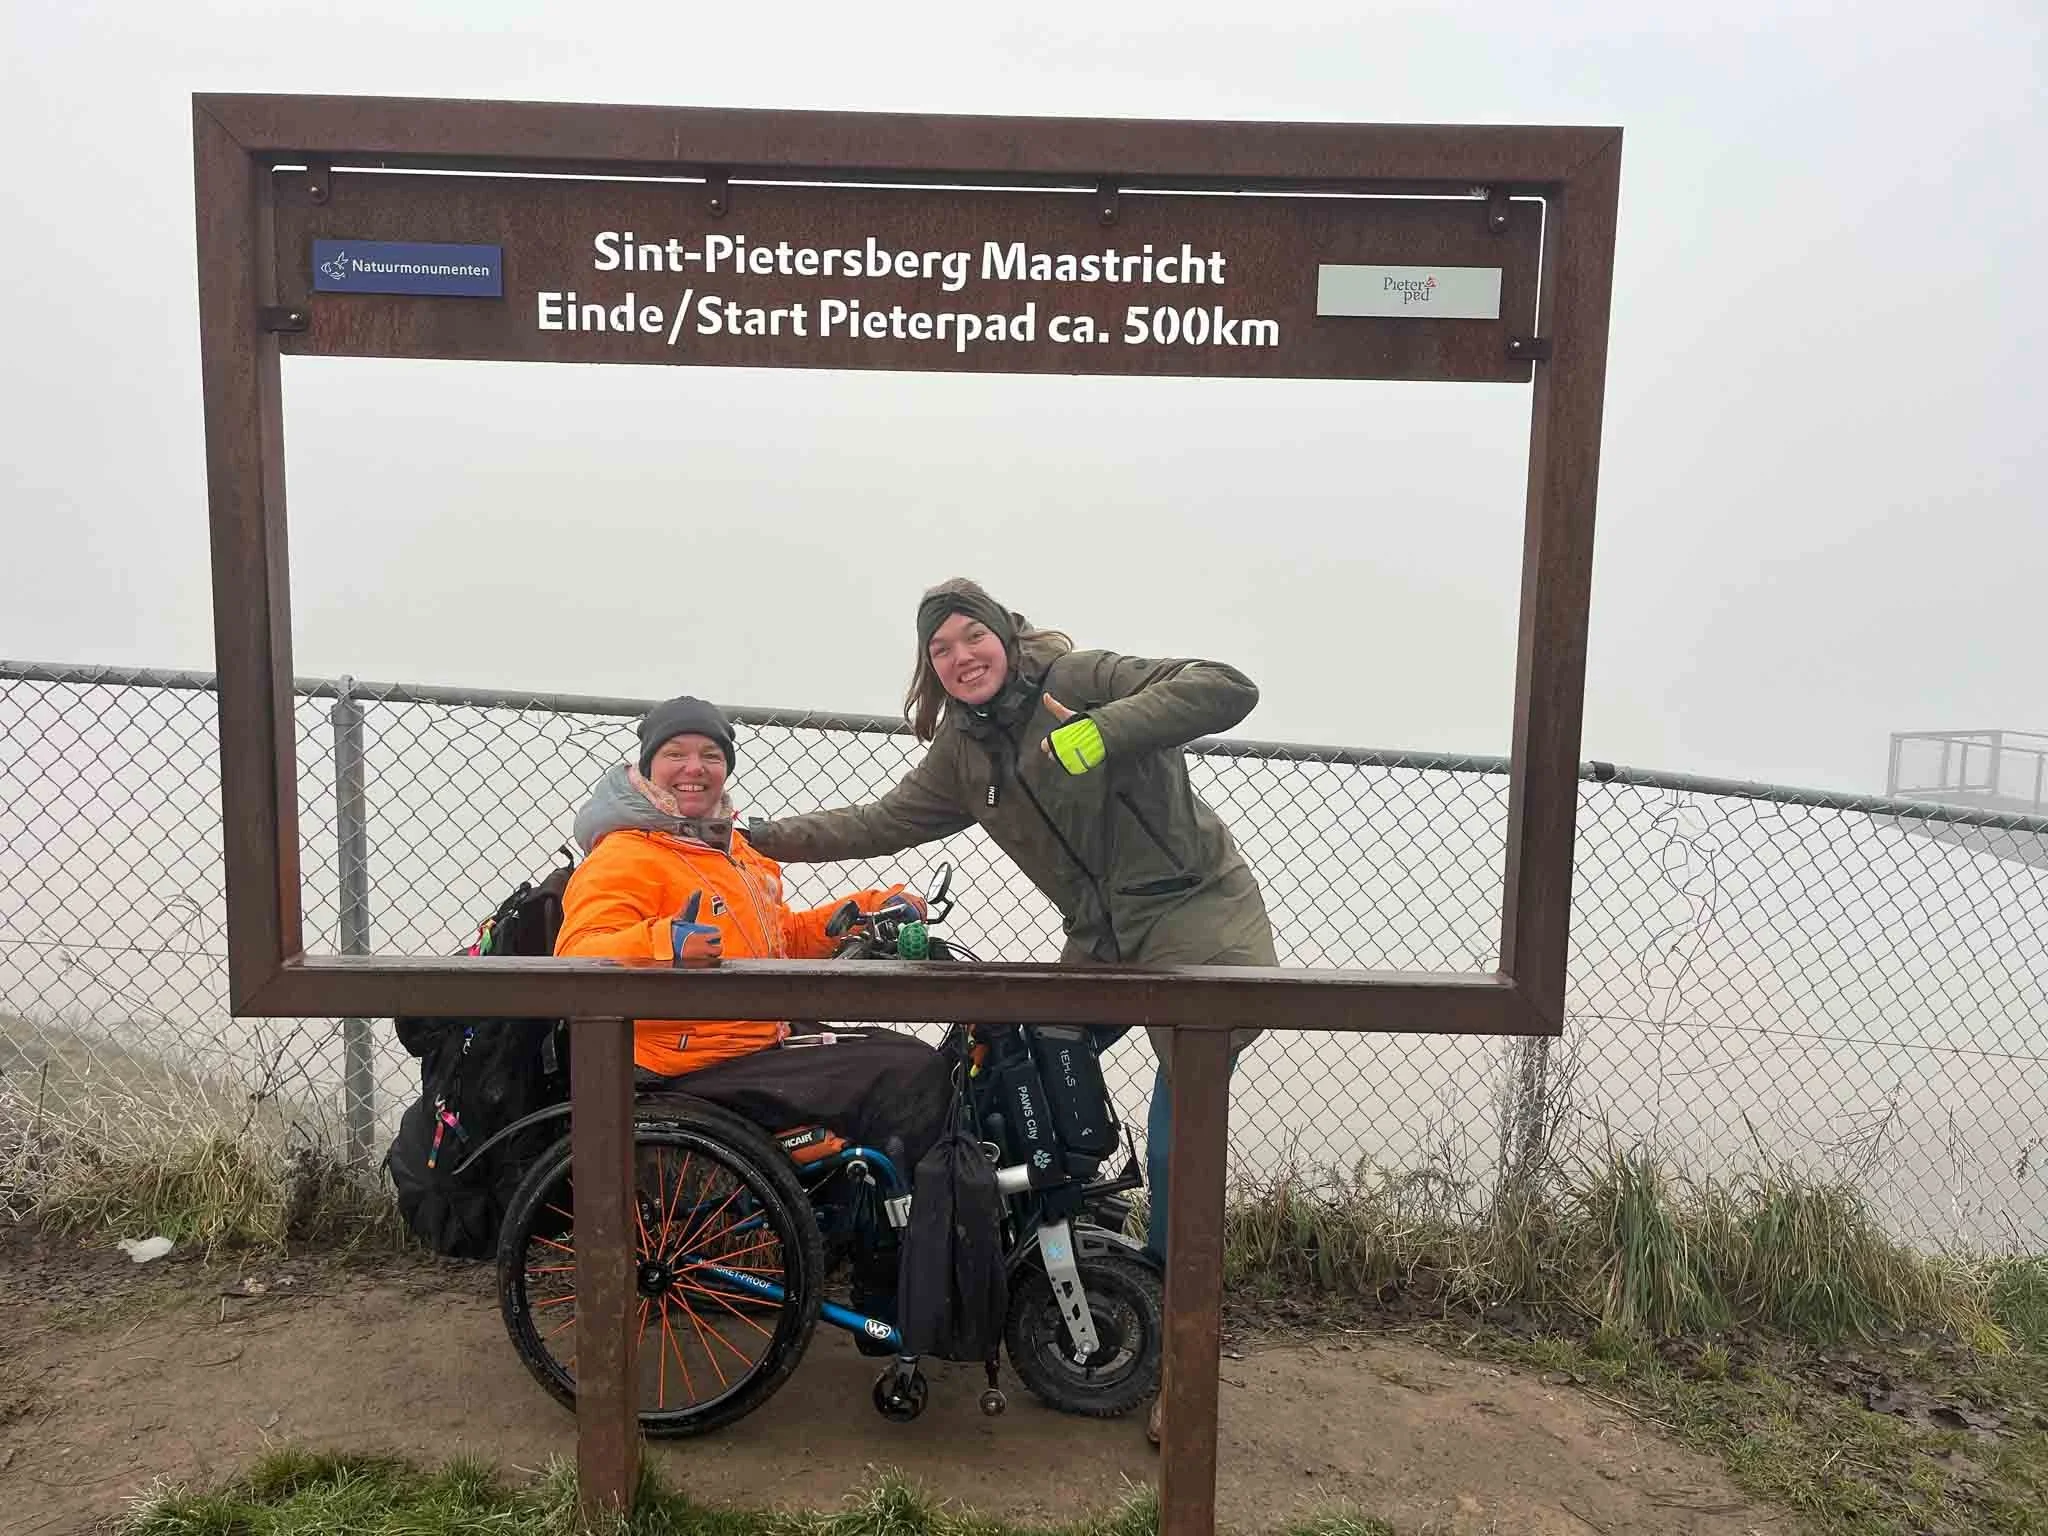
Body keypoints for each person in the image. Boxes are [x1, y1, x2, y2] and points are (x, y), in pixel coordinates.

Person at [745, 578, 1276, 1445]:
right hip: (1102, 942)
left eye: (970, 636)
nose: (960, 657)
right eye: (940, 649)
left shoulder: (1082, 676)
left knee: (1184, 1135)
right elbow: (878, 822)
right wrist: (758, 837)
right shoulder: (962, 753)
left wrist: (1098, 733)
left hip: (1198, 924)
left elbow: (1224, 685)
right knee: (1008, 1053)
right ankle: (1035, 1251)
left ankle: (1182, 1363)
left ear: (1003, 634)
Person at [555, 693, 955, 1177]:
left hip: (753, 1038)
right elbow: (578, 952)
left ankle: (889, 1212)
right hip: (689, 1062)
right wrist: (667, 943)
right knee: (906, 1075)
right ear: (647, 765)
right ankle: (913, 1234)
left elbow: (779, 938)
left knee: (905, 1054)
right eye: (675, 754)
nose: (694, 768)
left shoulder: (728, 850)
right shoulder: (625, 852)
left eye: (711, 756)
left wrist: (865, 909)